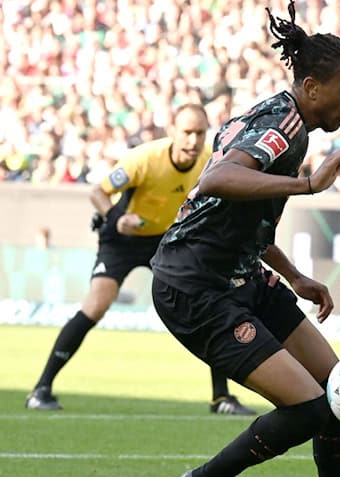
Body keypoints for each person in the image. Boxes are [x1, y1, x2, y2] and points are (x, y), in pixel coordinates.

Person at [150, 4, 340, 477]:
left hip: (241, 275)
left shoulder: (287, 121)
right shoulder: (284, 124)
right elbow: (218, 179)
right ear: (311, 86)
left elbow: (242, 214)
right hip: (194, 286)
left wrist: (293, 275)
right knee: (312, 406)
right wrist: (309, 186)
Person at [25, 104, 256, 416]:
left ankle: (221, 398)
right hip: (122, 238)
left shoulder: (208, 163)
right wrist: (116, 217)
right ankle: (41, 389)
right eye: (187, 132)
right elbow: (98, 192)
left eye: (200, 133)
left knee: (209, 302)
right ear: (172, 131)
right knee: (96, 306)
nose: (193, 140)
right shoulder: (145, 159)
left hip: (167, 241)